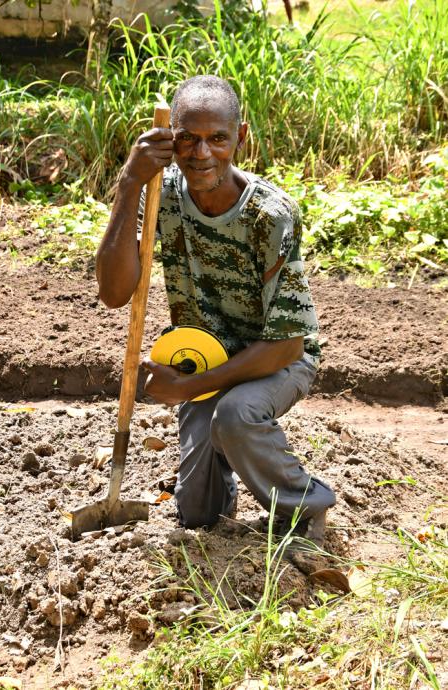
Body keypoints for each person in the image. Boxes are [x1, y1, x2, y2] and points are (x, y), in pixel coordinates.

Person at [96, 75, 335, 548]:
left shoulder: (270, 215)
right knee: (196, 514)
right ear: (171, 139)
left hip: (275, 359)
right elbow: (115, 292)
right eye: (188, 137)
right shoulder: (161, 194)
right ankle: (220, 491)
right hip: (207, 356)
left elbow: (286, 344)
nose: (201, 153)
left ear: (240, 137)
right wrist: (129, 183)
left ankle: (305, 511)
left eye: (217, 139)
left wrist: (186, 388)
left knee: (235, 414)